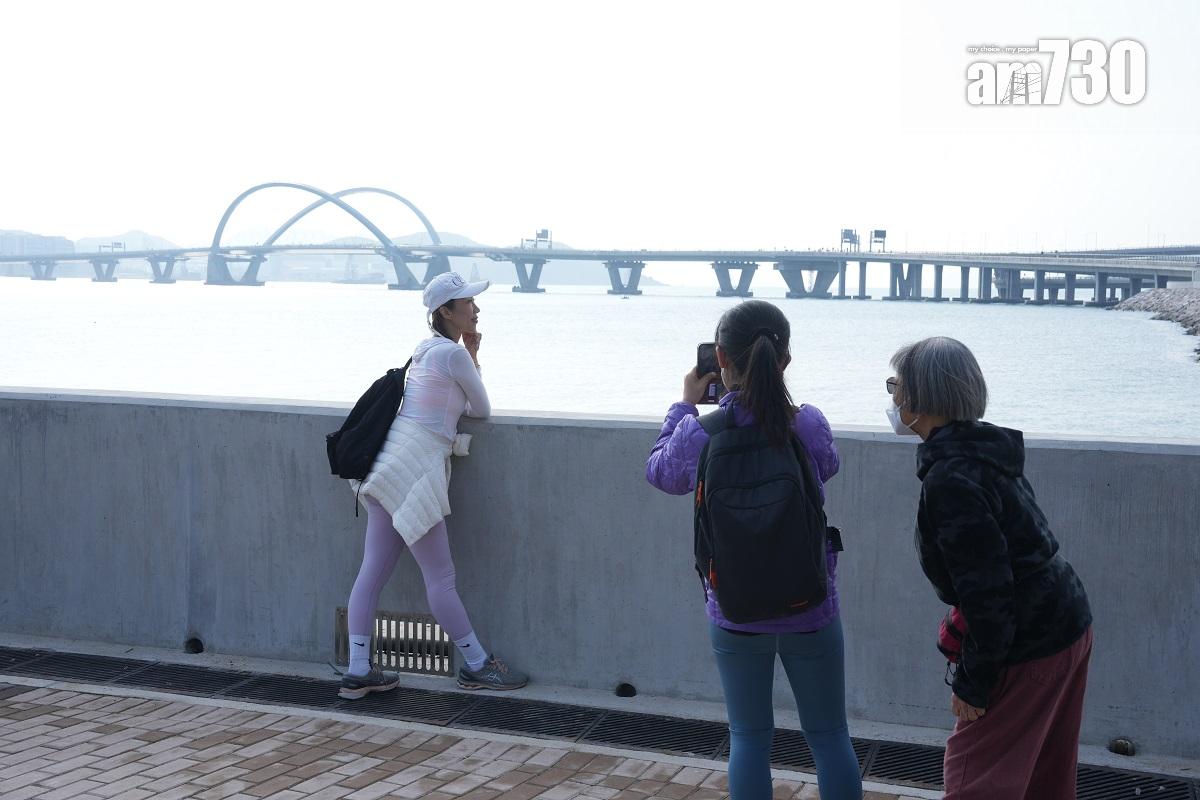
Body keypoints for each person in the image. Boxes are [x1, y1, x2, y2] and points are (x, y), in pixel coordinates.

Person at [646, 300, 862, 800]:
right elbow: (826, 467)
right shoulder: (806, 424)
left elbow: (661, 473)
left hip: (734, 606)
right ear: (785, 360)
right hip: (810, 602)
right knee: (830, 737)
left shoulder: (702, 432)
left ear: (719, 358)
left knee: (748, 738)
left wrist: (684, 403)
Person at [886, 336, 1093, 800]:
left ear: (922, 397)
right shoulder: (986, 450)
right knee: (1045, 778)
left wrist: (974, 685)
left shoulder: (951, 478)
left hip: (1032, 638)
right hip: (1065, 620)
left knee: (974, 777)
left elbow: (988, 594)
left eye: (895, 386)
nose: (893, 398)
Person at [338, 271, 528, 699]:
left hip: (388, 465)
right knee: (440, 577)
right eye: (467, 303)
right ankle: (478, 665)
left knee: (371, 573)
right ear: (445, 311)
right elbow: (482, 409)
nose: (476, 308)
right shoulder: (453, 356)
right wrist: (473, 357)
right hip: (415, 473)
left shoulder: (424, 350)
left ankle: (357, 669)